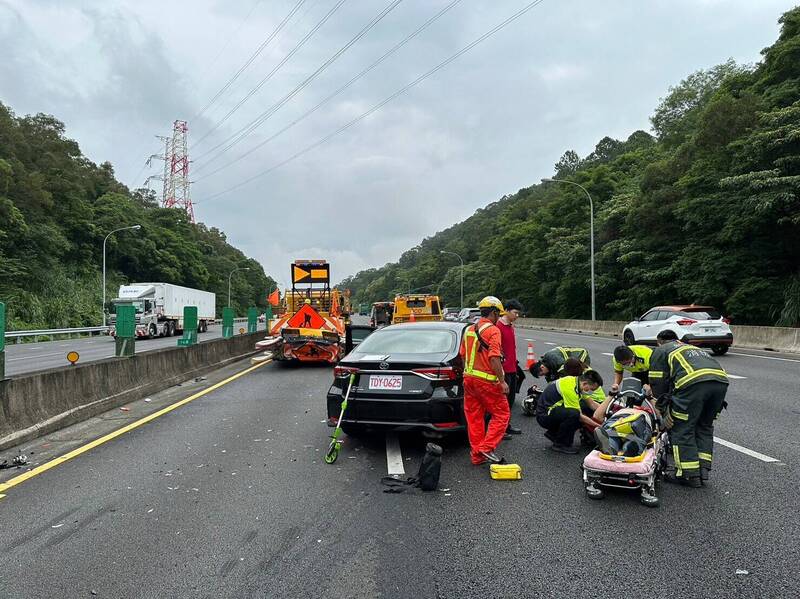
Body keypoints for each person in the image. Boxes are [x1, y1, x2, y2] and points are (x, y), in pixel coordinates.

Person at [650, 329, 729, 487]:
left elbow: (658, 383)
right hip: (720, 383)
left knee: (681, 427)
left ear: (659, 342)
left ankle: (688, 475)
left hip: (693, 384)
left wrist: (664, 410)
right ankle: (702, 470)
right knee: (704, 426)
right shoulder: (691, 348)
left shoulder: (661, 350)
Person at [459, 296, 511, 465]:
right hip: (487, 382)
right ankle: (487, 448)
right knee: (502, 414)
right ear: (494, 313)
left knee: (474, 418)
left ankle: (477, 456)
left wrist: (467, 375)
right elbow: (494, 358)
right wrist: (502, 381)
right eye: (499, 314)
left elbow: (463, 356)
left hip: (469, 380)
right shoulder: (493, 330)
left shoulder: (469, 330)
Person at [535, 370, 604, 453]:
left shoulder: (576, 381)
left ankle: (554, 433)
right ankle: (560, 444)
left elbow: (591, 404)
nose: (590, 392)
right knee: (574, 414)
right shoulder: (570, 389)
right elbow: (580, 417)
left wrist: (608, 412)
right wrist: (599, 426)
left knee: (585, 407)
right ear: (585, 383)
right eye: (591, 389)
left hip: (553, 410)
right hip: (544, 416)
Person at [495, 299, 524, 436]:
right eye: (515, 313)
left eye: (518, 313)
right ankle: (500, 429)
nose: (517, 316)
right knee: (502, 402)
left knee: (510, 400)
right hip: (503, 370)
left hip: (512, 368)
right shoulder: (498, 327)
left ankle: (506, 425)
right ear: (506, 310)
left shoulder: (510, 326)